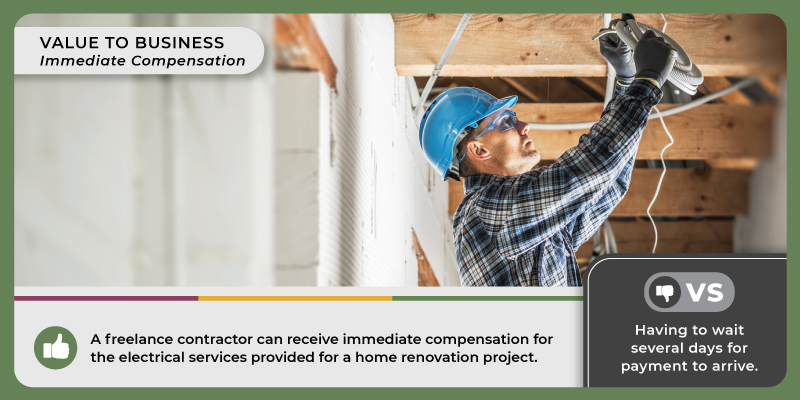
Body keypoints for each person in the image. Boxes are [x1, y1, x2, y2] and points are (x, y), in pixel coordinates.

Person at [418, 25, 677, 286]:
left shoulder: (523, 221)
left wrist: (627, 81)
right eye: (507, 122)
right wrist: (647, 81)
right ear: (479, 149)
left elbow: (609, 184)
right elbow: (595, 167)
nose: (524, 127)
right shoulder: (485, 213)